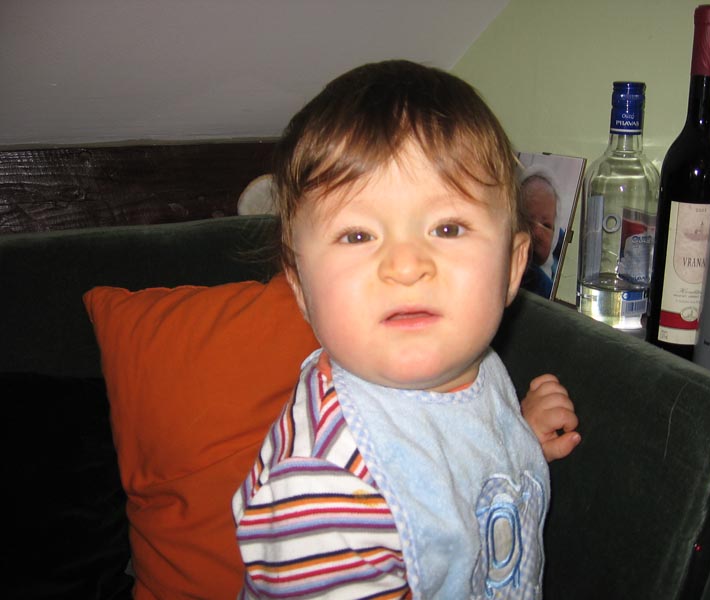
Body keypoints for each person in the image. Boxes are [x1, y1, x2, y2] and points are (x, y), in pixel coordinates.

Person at [232, 60, 578, 599]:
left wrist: (517, 437)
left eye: (447, 227)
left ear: (512, 269)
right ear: (300, 286)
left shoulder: (471, 362)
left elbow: (456, 457)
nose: (406, 264)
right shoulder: (324, 489)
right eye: (357, 235)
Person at [519, 165, 566, 299]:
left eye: (546, 225)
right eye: (528, 220)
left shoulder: (548, 286)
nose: (537, 232)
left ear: (555, 237)